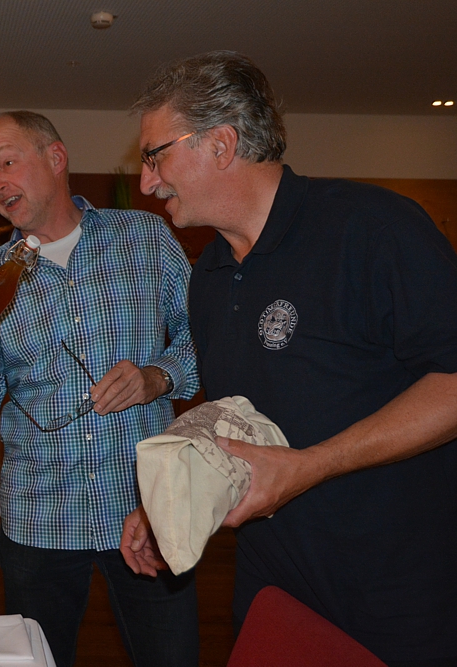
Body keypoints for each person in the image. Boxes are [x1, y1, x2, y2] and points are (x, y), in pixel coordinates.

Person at [124, 51, 457, 666]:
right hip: (272, 587)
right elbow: (234, 416)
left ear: (221, 144)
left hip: (398, 592)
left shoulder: (372, 229)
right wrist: (171, 497)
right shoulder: (209, 275)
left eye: (155, 156)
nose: (147, 182)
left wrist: (313, 466)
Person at [0, 110, 201, 667]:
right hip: (39, 519)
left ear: (55, 157)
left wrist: (157, 377)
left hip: (146, 509)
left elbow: (205, 339)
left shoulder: (146, 240)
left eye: (7, 163)